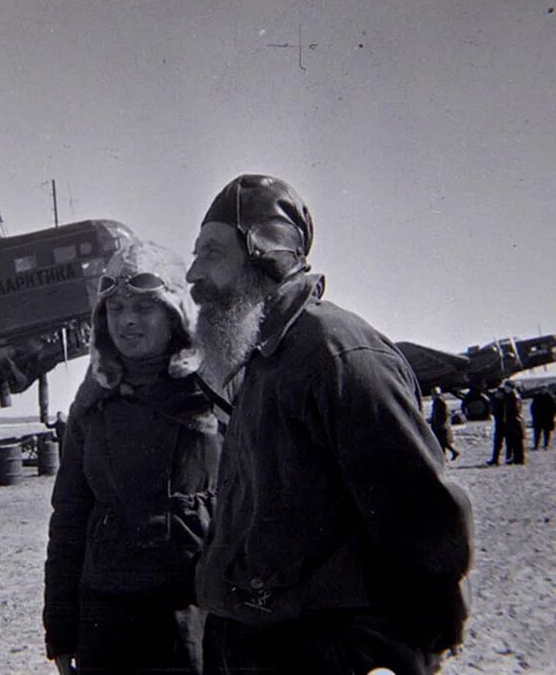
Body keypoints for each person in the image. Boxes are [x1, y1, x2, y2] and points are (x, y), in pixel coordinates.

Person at [188, 174, 473, 675]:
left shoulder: (336, 354)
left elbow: (425, 521)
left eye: (211, 253)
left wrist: (404, 650)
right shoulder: (257, 361)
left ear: (264, 252)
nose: (192, 274)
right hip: (255, 646)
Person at [44, 241, 222, 675]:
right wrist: (62, 629)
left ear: (176, 315)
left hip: (196, 621)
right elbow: (68, 519)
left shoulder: (216, 399)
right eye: (116, 308)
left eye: (144, 308)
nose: (126, 321)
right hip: (108, 623)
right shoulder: (92, 406)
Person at [430, 387, 459, 461]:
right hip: (439, 425)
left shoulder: (440, 402)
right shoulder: (437, 402)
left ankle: (453, 453)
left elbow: (444, 414)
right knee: (441, 443)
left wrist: (441, 423)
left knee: (443, 443)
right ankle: (443, 457)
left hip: (441, 426)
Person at [503, 381, 526, 465]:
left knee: (516, 441)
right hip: (514, 421)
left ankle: (518, 459)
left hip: (514, 422)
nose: (504, 388)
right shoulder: (514, 395)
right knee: (515, 441)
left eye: (506, 386)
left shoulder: (512, 396)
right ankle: (517, 458)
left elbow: (514, 409)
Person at [485, 386, 507, 466]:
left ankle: (497, 459)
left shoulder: (504, 402)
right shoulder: (498, 401)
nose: (497, 394)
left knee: (503, 442)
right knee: (498, 442)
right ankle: (495, 459)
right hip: (500, 423)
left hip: (504, 423)